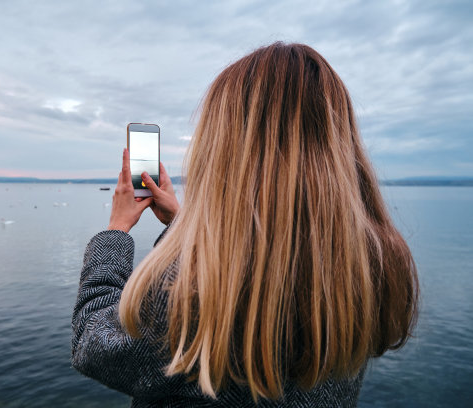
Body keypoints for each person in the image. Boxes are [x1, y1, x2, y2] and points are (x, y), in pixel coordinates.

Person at [71, 42, 419, 407]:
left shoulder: (193, 296)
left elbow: (93, 344)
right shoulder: (372, 264)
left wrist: (115, 231)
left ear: (224, 152)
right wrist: (183, 222)